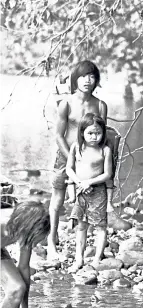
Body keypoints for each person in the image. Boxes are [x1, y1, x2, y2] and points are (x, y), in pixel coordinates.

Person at [47, 60, 111, 263]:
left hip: (91, 161)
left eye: (92, 76)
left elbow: (102, 136)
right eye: (83, 76)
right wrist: (71, 160)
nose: (87, 80)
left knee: (91, 198)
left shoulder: (100, 105)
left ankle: (88, 249)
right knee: (57, 199)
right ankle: (51, 241)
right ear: (75, 79)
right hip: (65, 155)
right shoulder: (66, 103)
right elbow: (58, 135)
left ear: (96, 80)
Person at [66, 113, 112, 271]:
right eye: (90, 133)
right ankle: (79, 258)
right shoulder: (77, 147)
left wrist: (89, 182)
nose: (94, 136)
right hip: (81, 191)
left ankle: (97, 258)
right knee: (81, 225)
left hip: (98, 191)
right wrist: (79, 182)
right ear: (82, 133)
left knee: (100, 226)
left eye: (98, 133)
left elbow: (107, 174)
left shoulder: (104, 150)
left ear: (103, 133)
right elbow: (69, 169)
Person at [0, 201, 50, 308]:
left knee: (17, 289)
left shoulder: (24, 235)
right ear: (23, 228)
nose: (33, 245)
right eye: (33, 240)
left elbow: (23, 268)